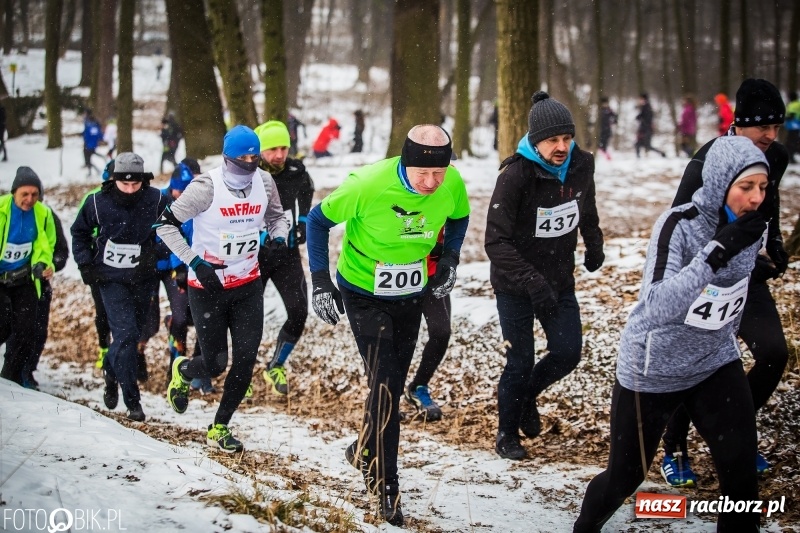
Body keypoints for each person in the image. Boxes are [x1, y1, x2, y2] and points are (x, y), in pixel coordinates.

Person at [573, 135, 770, 532]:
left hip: (714, 360)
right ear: (719, 184)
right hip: (652, 369)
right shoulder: (677, 225)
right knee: (624, 479)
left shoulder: (753, 229)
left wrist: (762, 264)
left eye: (763, 187)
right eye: (746, 187)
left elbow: (731, 294)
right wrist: (715, 253)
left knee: (742, 476)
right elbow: (655, 308)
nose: (755, 198)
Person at [306, 124, 470, 526]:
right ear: (404, 163)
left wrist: (449, 259)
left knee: (392, 386)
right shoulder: (367, 184)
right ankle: (385, 485)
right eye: (422, 175)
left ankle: (364, 447)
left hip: (410, 293)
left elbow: (461, 217)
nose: (432, 183)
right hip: (362, 291)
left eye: (439, 174)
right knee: (383, 386)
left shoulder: (451, 183)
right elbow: (316, 221)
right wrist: (321, 280)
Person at [661, 78, 790, 487]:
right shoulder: (705, 162)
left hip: (746, 278)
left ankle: (734, 432)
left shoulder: (777, 156)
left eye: (776, 126)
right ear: (739, 124)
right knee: (696, 362)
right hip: (704, 278)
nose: (770, 135)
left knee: (773, 352)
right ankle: (674, 446)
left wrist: (776, 242)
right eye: (762, 127)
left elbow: (768, 201)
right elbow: (678, 221)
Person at [484, 91, 605, 461]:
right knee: (519, 360)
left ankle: (526, 397)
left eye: (567, 138)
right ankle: (506, 434)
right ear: (535, 140)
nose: (562, 147)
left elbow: (586, 206)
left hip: (558, 280)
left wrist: (594, 243)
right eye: (553, 139)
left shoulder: (582, 164)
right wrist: (531, 281)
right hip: (515, 285)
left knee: (568, 351)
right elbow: (495, 241)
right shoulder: (516, 175)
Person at [156, 125, 289, 453]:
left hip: (247, 284)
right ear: (228, 158)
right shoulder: (206, 187)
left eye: (254, 157)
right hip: (208, 287)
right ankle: (184, 369)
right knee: (215, 363)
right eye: (242, 158)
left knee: (245, 359)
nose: (249, 163)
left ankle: (220, 426)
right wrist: (194, 262)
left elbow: (277, 218)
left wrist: (280, 239)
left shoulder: (265, 182)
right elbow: (164, 225)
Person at [71, 153, 167, 422]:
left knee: (133, 334)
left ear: (143, 181)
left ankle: (110, 372)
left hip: (143, 278)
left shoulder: (156, 199)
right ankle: (132, 399)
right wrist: (85, 264)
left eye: (135, 184)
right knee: (124, 335)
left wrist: (156, 252)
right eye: (124, 184)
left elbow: (174, 227)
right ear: (114, 180)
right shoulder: (96, 202)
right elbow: (78, 232)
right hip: (110, 279)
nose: (129, 189)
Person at [253, 120, 314, 396]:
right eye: (272, 149)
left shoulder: (295, 169)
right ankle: (238, 374)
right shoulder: (248, 172)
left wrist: (302, 220)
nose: (279, 154)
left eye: (284, 147)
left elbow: (307, 189)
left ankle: (275, 365)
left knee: (299, 309)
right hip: (254, 255)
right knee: (247, 318)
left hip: (286, 253)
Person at [157, 158, 210, 392]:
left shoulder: (199, 201)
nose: (182, 194)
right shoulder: (161, 200)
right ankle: (175, 366)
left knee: (205, 320)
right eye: (179, 189)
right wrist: (177, 266)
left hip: (199, 267)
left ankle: (200, 371)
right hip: (172, 269)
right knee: (180, 319)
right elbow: (166, 236)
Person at [7, 189, 69, 390]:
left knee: (37, 331)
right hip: (15, 284)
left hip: (39, 285)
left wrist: (50, 266)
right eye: (25, 197)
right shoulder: (9, 217)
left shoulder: (47, 216)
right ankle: (12, 372)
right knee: (13, 328)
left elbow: (61, 252)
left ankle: (27, 370)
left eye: (35, 198)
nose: (30, 203)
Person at [0, 167, 56, 386]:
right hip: (1, 278)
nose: (30, 199)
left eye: (34, 194)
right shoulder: (2, 209)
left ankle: (9, 378)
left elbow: (47, 244)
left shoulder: (43, 213)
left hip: (24, 278)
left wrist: (44, 264)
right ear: (15, 192)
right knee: (3, 324)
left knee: (26, 330)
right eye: (25, 194)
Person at [403, 228, 450, 422]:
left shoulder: (447, 196)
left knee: (441, 331)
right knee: (402, 335)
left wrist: (449, 254)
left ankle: (419, 386)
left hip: (432, 271)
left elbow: (459, 220)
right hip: (397, 271)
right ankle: (386, 395)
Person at [634, 93, 666, 158]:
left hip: (646, 130)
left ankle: (662, 153)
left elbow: (647, 119)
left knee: (646, 145)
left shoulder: (647, 107)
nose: (639, 101)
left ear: (643, 99)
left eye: (640, 99)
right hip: (645, 129)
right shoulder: (645, 107)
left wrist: (640, 118)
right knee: (638, 144)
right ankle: (638, 158)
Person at [83, 110, 103, 175]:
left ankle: (91, 171)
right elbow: (100, 135)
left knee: (88, 158)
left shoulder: (88, 125)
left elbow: (86, 135)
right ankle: (93, 170)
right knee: (90, 156)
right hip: (94, 144)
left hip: (88, 145)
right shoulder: (96, 125)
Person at [597, 96, 617, 160]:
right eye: (603, 103)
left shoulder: (609, 110)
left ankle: (607, 158)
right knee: (600, 145)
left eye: (606, 103)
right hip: (600, 130)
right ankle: (605, 157)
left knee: (604, 145)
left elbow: (615, 118)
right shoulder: (599, 111)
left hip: (607, 130)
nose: (605, 105)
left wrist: (612, 122)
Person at [785, 90, 800, 163]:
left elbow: (792, 115)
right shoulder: (798, 103)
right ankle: (792, 155)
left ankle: (791, 156)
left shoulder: (792, 104)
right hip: (797, 125)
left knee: (791, 142)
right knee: (795, 141)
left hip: (793, 125)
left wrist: (785, 118)